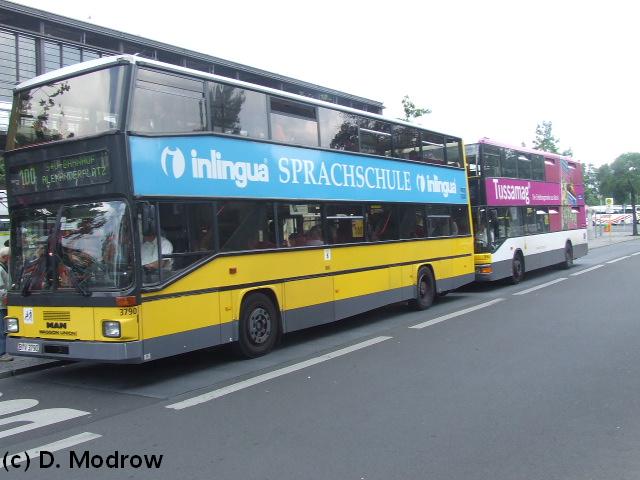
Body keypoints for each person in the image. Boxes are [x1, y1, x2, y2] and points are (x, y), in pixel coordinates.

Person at [0, 247, 12, 362]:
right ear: (4, 257)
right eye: (9, 257)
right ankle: (2, 353)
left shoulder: (3, 267)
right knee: (2, 330)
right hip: (1, 305)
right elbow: (1, 289)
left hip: (3, 304)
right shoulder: (0, 268)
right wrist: (6, 298)